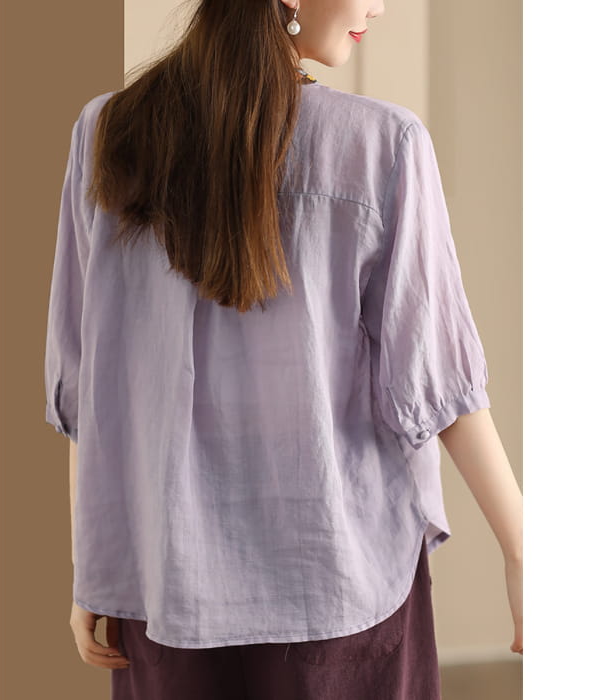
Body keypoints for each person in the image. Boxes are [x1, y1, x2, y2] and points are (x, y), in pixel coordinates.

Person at [44, 1, 523, 698]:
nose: (378, 6)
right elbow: (437, 380)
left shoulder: (106, 133)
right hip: (339, 585)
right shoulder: (383, 144)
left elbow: (90, 385)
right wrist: (521, 547)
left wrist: (94, 567)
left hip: (162, 586)